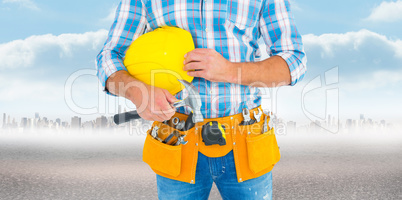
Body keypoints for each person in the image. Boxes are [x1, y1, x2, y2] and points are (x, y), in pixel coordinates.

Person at [96, 0, 306, 199]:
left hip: (246, 139)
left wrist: (230, 71)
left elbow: (294, 61)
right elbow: (110, 56)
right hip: (177, 140)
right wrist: (137, 91)